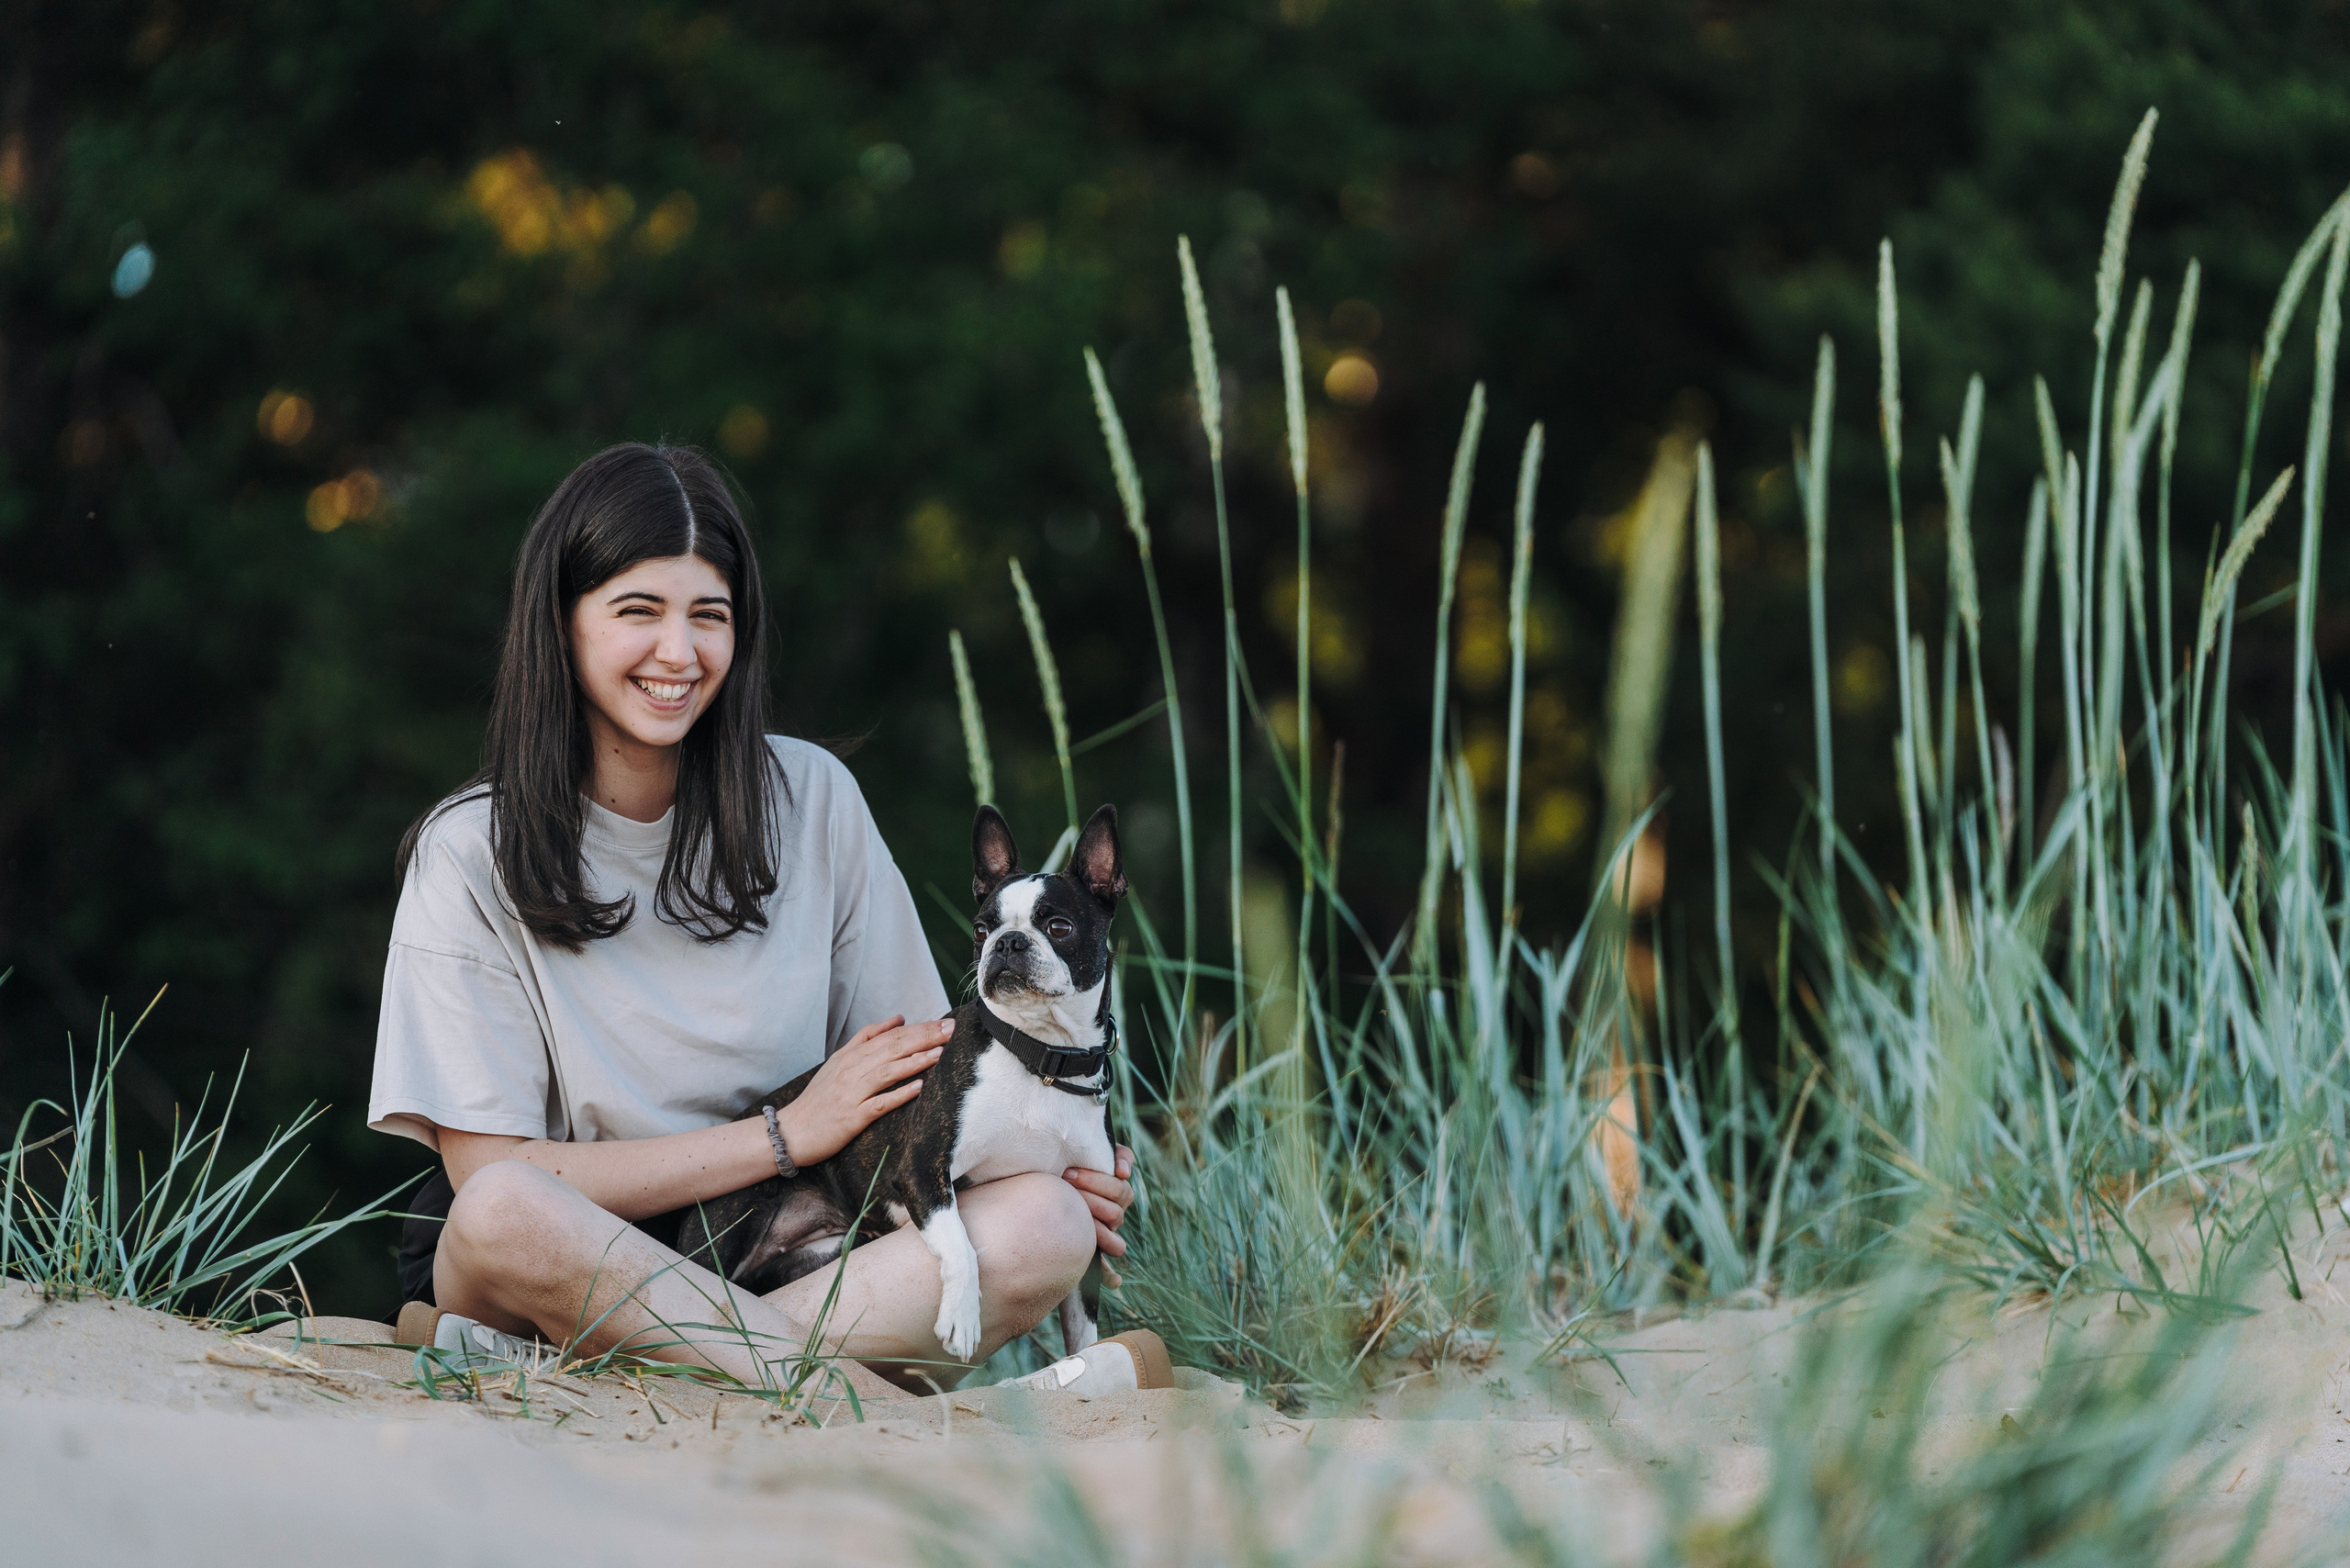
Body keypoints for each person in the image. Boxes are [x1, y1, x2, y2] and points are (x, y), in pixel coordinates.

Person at [366, 442, 1136, 1399]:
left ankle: (680, 1369)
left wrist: (1052, 1146)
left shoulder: (814, 799)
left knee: (1044, 1225)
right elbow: (491, 1171)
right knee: (500, 1209)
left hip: (790, 1251)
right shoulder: (468, 849)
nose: (679, 654)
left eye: (710, 616)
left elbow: (919, 1077)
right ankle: (870, 1402)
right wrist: (782, 1135)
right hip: (557, 1254)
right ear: (560, 623)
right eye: (637, 610)